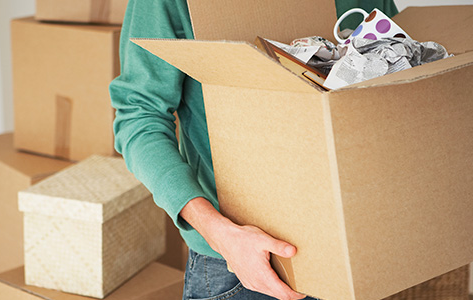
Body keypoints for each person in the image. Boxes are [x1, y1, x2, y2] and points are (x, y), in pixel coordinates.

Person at [109, 1, 399, 299]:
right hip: (245, 263)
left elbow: (400, 82)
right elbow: (139, 116)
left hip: (357, 245)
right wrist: (220, 234)